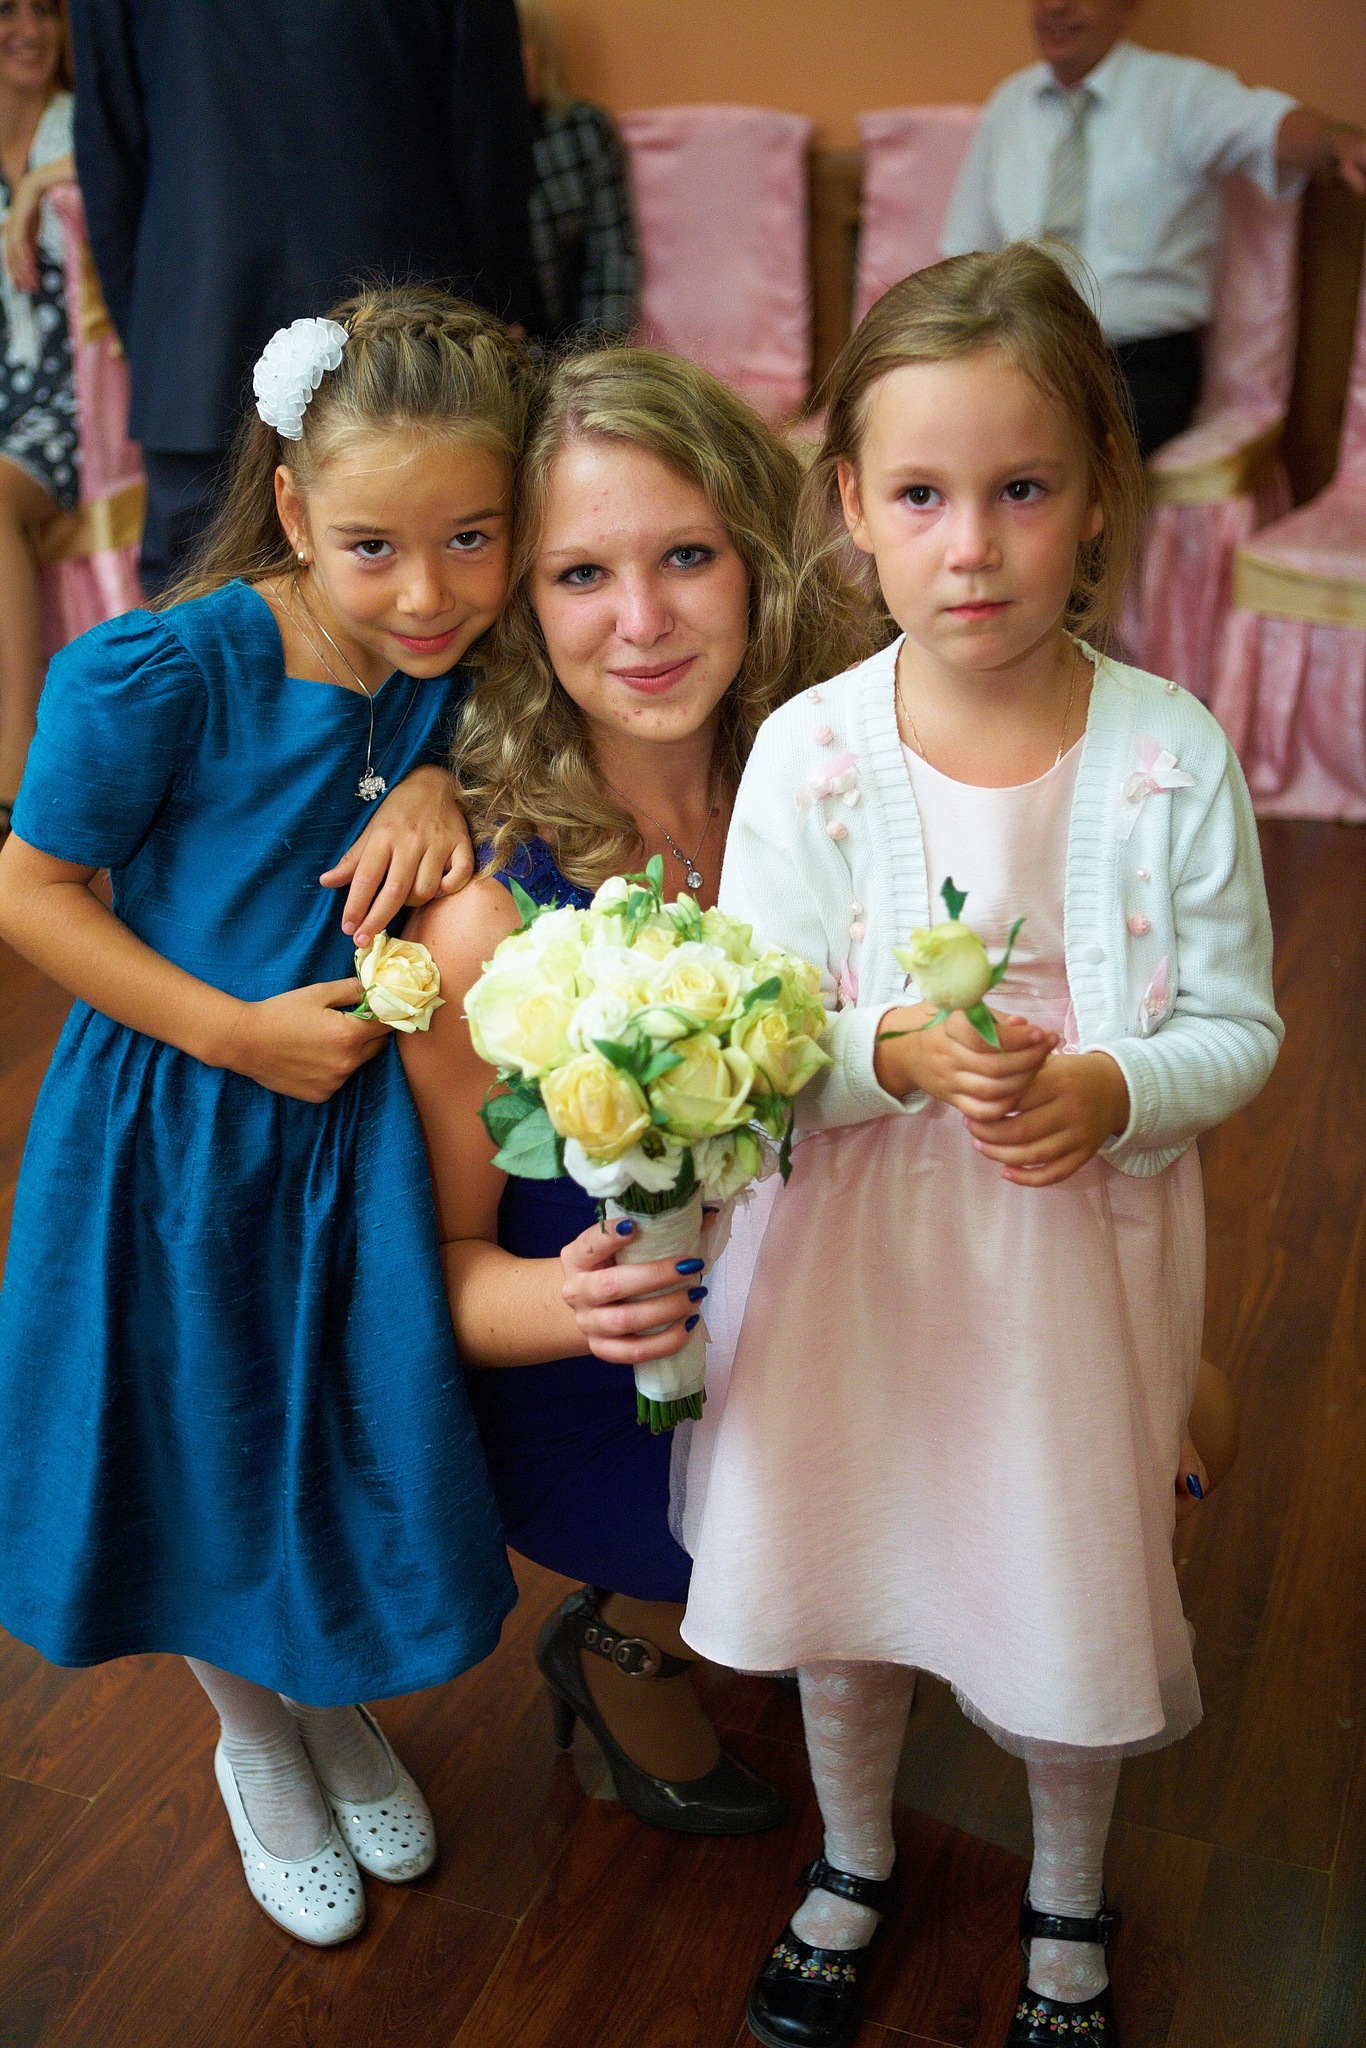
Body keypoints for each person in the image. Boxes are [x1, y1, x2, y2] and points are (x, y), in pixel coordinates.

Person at [676, 246, 1282, 2047]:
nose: (972, 547)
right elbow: (755, 1036)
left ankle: (1068, 1892)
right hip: (849, 1263)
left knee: (1059, 1579)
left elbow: (1237, 1026)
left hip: (1064, 1272)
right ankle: (855, 1852)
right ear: (850, 506)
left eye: (1021, 490)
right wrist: (880, 1048)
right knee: (851, 1560)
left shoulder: (1168, 755)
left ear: (1095, 494)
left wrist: (1110, 1089)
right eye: (922, 496)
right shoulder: (809, 752)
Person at [0, 287, 534, 1946]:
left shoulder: (464, 664)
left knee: (313, 1433)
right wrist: (233, 1031)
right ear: (294, 509)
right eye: (374, 546)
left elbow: (494, 745)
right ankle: (254, 1739)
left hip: (345, 1151)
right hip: (178, 1132)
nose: (427, 591)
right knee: (200, 1444)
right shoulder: (167, 671)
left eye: (470, 539)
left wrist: (441, 776)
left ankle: (323, 1689)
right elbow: (29, 889)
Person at [400, 347, 869, 1834]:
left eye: (685, 556)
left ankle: (814, 1597)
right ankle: (624, 1631)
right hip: (618, 1392)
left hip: (838, 1317)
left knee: (1166, 1421)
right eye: (581, 574)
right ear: (522, 612)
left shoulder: (846, 802)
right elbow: (437, 1274)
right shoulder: (485, 920)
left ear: (758, 560)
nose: (645, 621)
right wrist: (577, 1302)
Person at [68, 0, 541, 597]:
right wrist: (494, 320)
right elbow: (490, 140)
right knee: (429, 603)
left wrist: (153, 333)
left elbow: (108, 151)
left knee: (204, 623)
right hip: (410, 344)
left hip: (196, 336)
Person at [941, 0, 1366, 456]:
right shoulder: (1008, 104)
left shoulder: (1179, 91)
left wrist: (1339, 143)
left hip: (1138, 363)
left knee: (1044, 446)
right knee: (943, 429)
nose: (1056, 8)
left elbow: (1268, 125)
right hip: (1021, 350)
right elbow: (967, 252)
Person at [0, 0, 73, 828]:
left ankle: (15, 781)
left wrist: (36, 185)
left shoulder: (76, 124)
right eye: (8, 10)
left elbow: (125, 161)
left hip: (78, 399)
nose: (30, 29)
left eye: (44, 10)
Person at [517, 0, 639, 342]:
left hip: (570, 342)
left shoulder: (582, 131)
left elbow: (613, 255)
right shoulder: (461, 146)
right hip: (484, 349)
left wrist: (597, 352)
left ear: (543, 53)